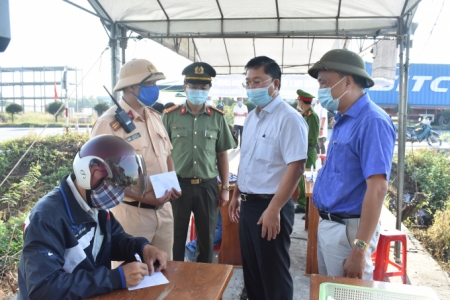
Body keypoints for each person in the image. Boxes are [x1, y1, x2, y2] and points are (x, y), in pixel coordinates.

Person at [17, 135, 168, 300]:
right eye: (114, 184)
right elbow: (44, 288)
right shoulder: (47, 218)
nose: (119, 192)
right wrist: (116, 278)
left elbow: (114, 239)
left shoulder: (95, 205)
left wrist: (143, 248)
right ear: (89, 175)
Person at [308, 49, 396, 280]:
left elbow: (377, 188)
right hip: (332, 225)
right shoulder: (344, 119)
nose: (321, 90)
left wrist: (359, 249)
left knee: (347, 293)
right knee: (329, 293)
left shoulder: (372, 121)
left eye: (325, 83)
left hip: (349, 232)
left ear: (348, 81)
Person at [228, 56, 308, 300]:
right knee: (252, 272)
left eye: (258, 81)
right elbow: (247, 161)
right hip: (249, 205)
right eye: (249, 82)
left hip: (272, 206)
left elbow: (297, 167)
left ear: (276, 84)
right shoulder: (251, 117)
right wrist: (235, 194)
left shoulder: (289, 119)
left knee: (273, 274)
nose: (252, 88)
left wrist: (274, 209)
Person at [91, 59, 181, 264]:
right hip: (132, 217)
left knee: (164, 274)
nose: (155, 89)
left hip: (164, 212)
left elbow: (167, 156)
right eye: (150, 84)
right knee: (132, 284)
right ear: (132, 86)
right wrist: (148, 198)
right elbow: (101, 179)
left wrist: (172, 185)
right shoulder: (109, 123)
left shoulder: (154, 117)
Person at [162, 62, 235, 263]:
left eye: (203, 88)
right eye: (194, 87)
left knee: (206, 237)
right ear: (185, 87)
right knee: (175, 237)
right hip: (177, 185)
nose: (198, 91)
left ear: (209, 89)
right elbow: (162, 153)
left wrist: (225, 188)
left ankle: (203, 282)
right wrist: (166, 183)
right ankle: (175, 277)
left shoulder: (217, 118)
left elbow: (222, 154)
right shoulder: (170, 116)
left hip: (207, 186)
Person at [296, 89, 319, 214]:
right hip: (303, 151)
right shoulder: (305, 115)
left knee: (308, 182)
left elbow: (312, 137)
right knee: (301, 180)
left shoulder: (312, 116)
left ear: (301, 101)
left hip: (308, 152)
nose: (298, 104)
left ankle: (307, 208)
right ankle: (302, 204)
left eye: (299, 101)